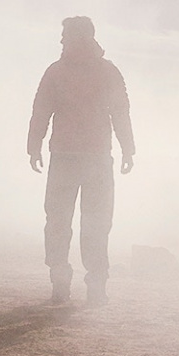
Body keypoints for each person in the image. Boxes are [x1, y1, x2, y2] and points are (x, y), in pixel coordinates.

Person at [27, 16, 135, 305]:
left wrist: (34, 145)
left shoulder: (58, 72)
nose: (61, 40)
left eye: (65, 35)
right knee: (93, 223)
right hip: (93, 157)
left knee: (62, 221)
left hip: (70, 157)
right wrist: (127, 148)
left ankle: (65, 283)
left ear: (80, 37)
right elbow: (120, 112)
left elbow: (41, 110)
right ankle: (92, 287)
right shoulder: (105, 72)